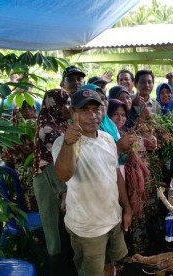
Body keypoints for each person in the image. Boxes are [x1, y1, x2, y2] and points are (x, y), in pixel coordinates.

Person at [53, 88, 132, 276]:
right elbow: (63, 175)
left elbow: (116, 176)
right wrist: (69, 144)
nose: (92, 115)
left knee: (112, 263)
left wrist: (126, 208)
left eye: (96, 109)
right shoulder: (62, 143)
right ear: (73, 113)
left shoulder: (107, 139)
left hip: (113, 219)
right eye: (84, 110)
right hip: (87, 228)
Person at [32, 65, 85, 276]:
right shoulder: (48, 127)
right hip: (48, 182)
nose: (68, 109)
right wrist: (63, 190)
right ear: (54, 104)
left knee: (64, 227)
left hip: (60, 182)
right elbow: (59, 156)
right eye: (65, 104)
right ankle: (56, 269)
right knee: (53, 228)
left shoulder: (61, 123)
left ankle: (65, 266)